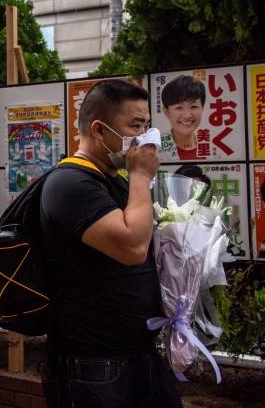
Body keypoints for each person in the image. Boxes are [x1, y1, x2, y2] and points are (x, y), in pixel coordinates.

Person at [40, 79, 182, 408]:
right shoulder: (69, 183)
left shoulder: (114, 179)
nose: (147, 138)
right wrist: (142, 176)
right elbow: (132, 247)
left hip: (139, 356)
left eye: (148, 126)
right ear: (100, 130)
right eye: (136, 126)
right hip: (95, 365)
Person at [160, 75, 205, 161]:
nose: (187, 115)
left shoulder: (214, 151)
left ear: (202, 107)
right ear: (166, 112)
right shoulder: (154, 150)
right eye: (179, 108)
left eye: (194, 106)